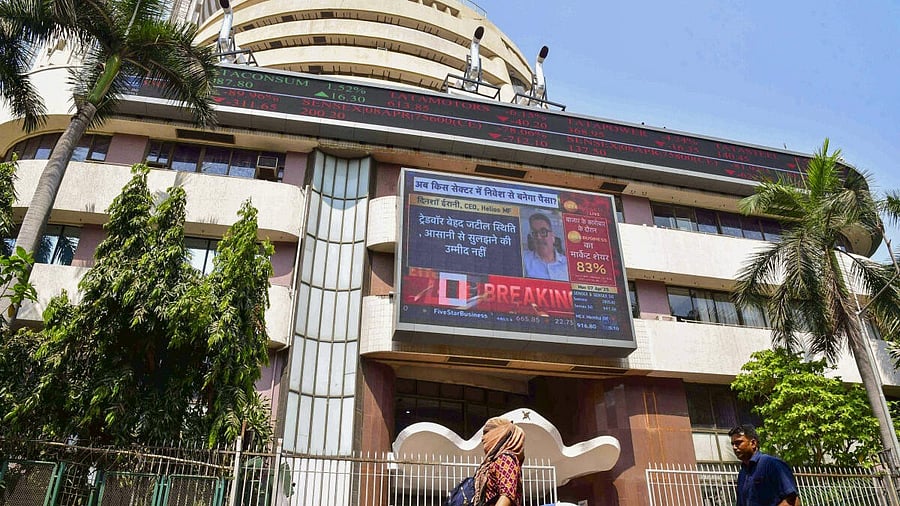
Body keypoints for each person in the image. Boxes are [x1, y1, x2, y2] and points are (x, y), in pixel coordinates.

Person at [729, 424, 801, 506]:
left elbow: (792, 501)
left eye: (738, 443)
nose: (734, 447)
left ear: (753, 443)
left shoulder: (772, 464)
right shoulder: (743, 473)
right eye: (733, 444)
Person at [474, 417, 525, 506]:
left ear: (499, 434)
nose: (483, 438)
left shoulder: (505, 459)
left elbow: (506, 496)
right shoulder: (494, 461)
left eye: (486, 433)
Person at [522, 213, 568, 281]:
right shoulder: (524, 260)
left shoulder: (568, 265)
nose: (539, 237)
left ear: (553, 236)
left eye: (543, 232)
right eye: (534, 233)